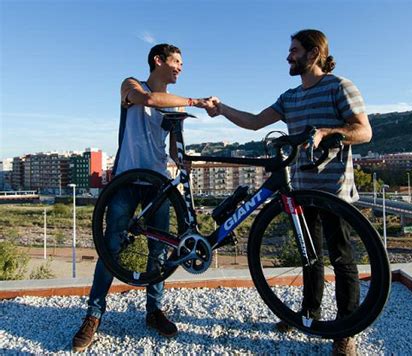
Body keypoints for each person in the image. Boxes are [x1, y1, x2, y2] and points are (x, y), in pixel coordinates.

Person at [205, 29, 372, 356]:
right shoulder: (290, 97)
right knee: (310, 256)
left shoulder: (339, 87)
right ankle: (308, 313)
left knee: (340, 258)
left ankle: (345, 330)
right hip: (301, 191)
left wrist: (328, 132)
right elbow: (254, 122)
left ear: (313, 54)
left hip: (335, 191)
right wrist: (221, 108)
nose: (288, 56)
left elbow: (364, 130)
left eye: (294, 50)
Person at [72, 43, 214, 352]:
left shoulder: (174, 105)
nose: (180, 67)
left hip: (158, 183)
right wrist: (197, 102)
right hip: (125, 180)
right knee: (111, 247)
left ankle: (154, 311)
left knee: (159, 251)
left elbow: (174, 146)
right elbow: (148, 99)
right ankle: (93, 316)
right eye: (176, 61)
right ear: (158, 60)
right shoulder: (130, 85)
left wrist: (183, 158)